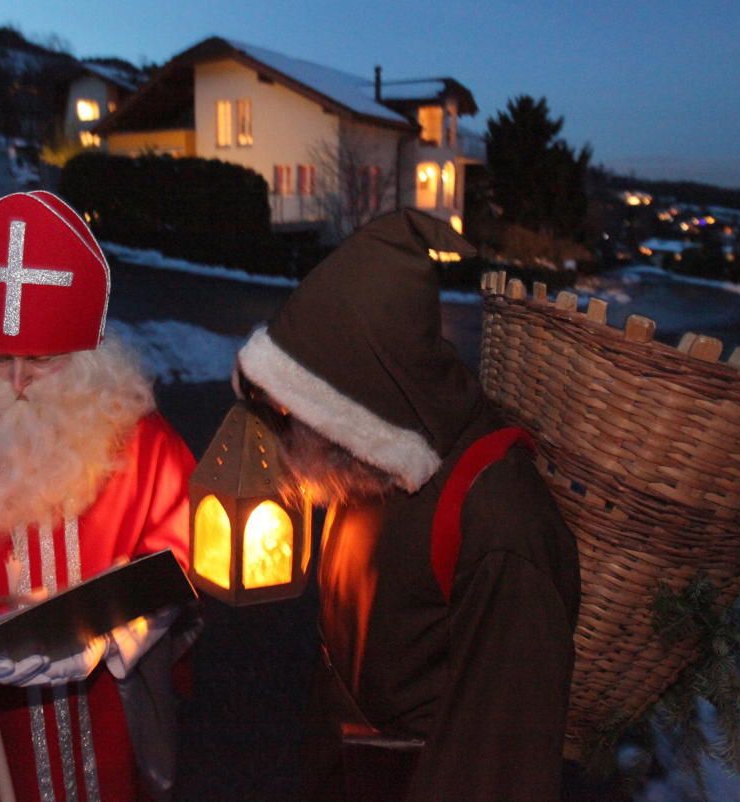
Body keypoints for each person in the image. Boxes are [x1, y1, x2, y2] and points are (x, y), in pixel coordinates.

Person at [233, 210, 581, 801]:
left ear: (354, 400)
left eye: (297, 407)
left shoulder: (501, 522)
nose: (282, 426)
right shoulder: (367, 461)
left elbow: (497, 765)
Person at [0, 191, 198, 802]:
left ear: (85, 353)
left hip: (105, 716)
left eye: (42, 359)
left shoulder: (141, 440)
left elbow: (185, 545)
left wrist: (111, 634)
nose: (18, 382)